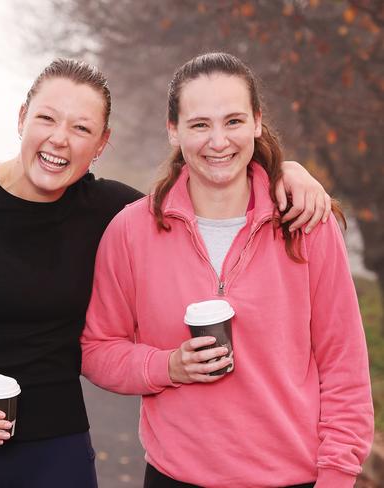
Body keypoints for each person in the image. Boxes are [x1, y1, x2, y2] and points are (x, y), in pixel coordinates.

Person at [0, 58, 333, 488]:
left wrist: (284, 173)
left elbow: (195, 196)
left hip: (57, 447)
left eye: (81, 127)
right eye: (46, 118)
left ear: (101, 142)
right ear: (22, 117)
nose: (59, 139)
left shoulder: (113, 212)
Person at [80, 52, 374, 488]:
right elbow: (97, 349)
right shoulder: (131, 230)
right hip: (174, 478)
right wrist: (168, 367)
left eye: (233, 121)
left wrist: (336, 476)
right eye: (200, 124)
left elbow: (344, 368)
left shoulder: (307, 223)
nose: (218, 141)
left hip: (295, 479)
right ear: (173, 131)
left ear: (257, 121)